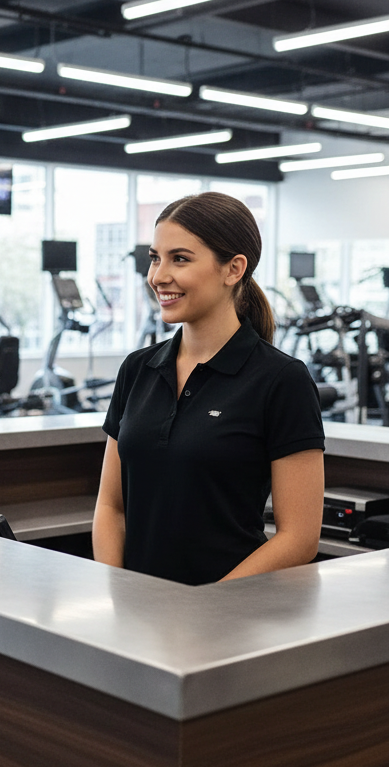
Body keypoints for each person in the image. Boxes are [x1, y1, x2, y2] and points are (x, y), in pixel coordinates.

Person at [92, 191, 324, 585]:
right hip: (137, 617)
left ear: (233, 269)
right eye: (155, 257)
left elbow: (299, 538)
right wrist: (117, 591)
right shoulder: (137, 369)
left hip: (227, 620)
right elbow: (111, 506)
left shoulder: (282, 380)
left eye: (179, 259)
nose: (158, 276)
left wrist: (206, 608)